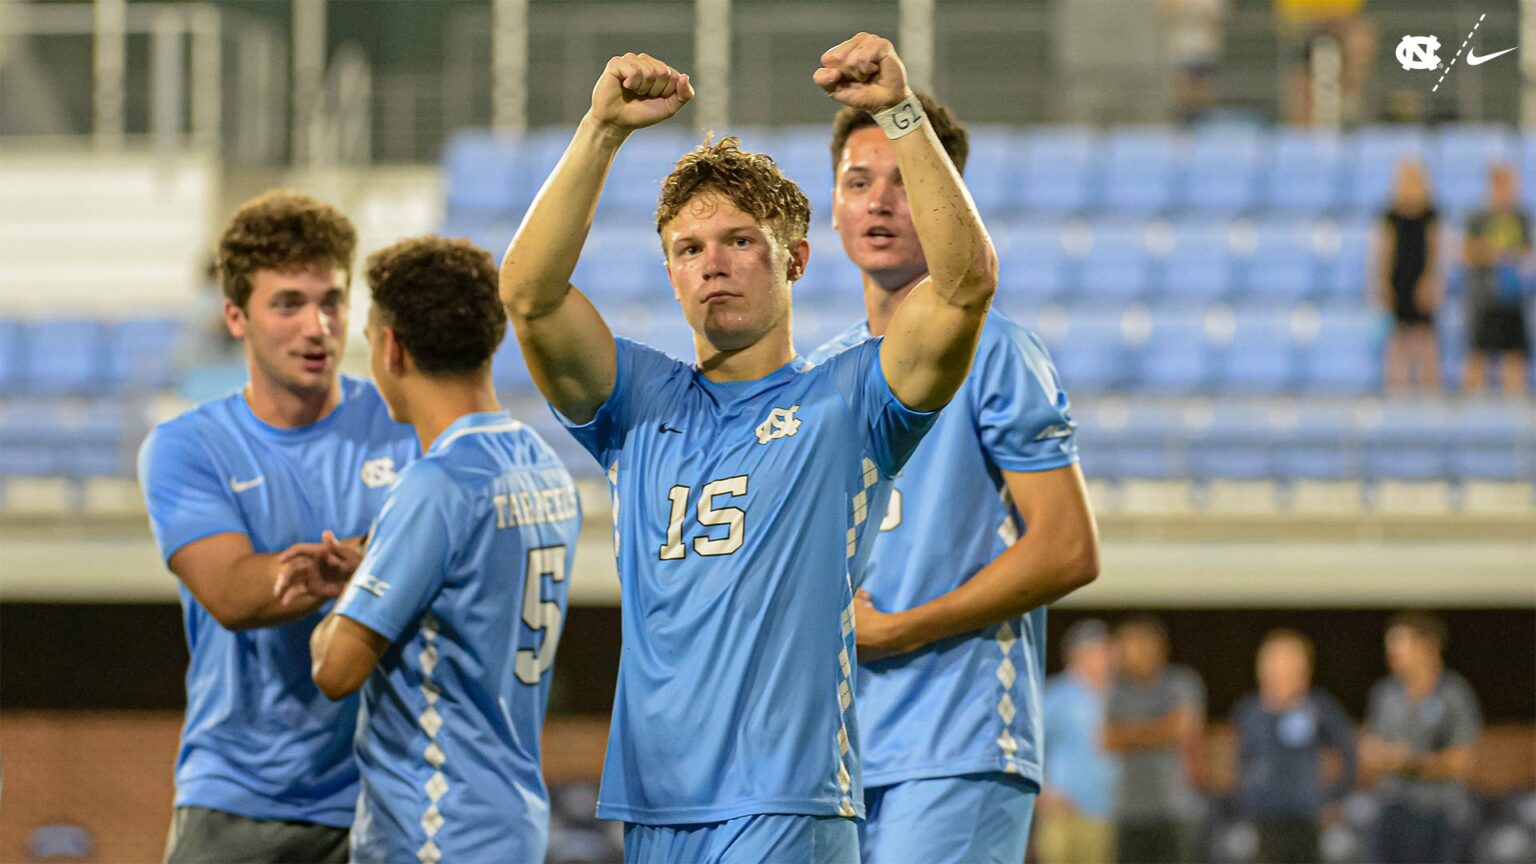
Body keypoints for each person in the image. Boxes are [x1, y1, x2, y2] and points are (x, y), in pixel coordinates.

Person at [499, 33, 998, 862]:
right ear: (669, 274)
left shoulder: (850, 400)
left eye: (739, 241)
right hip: (655, 803)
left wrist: (899, 114)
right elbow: (527, 292)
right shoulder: (636, 402)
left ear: (795, 259)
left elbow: (966, 285)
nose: (713, 265)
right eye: (689, 250)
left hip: (788, 803)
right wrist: (601, 132)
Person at [808, 91, 1099, 864]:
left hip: (958, 742)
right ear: (831, 211)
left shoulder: (996, 351)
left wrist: (900, 629)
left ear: (950, 208)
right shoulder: (817, 377)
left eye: (905, 181)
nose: (878, 201)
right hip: (832, 757)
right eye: (858, 181)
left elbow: (1069, 547)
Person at [279, 237, 581, 863]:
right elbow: (471, 593)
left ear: (391, 347)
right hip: (511, 821)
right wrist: (380, 570)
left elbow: (334, 670)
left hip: (437, 828)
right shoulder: (543, 465)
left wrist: (346, 600)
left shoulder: (436, 483)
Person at [136, 191, 419, 862]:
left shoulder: (404, 421)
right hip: (237, 799)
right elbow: (233, 594)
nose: (317, 326)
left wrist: (354, 566)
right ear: (236, 317)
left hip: (382, 800)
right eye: (288, 304)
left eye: (332, 301)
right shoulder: (186, 447)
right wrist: (369, 566)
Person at [1361, 612, 1483, 864]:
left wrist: (1412, 763)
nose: (1393, 656)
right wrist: (1384, 757)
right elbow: (1368, 754)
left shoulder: (1454, 694)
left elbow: (1464, 761)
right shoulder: (1386, 694)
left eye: (1400, 647)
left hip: (1440, 812)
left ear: (1428, 646)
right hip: (1393, 810)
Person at [1232, 629, 1358, 864]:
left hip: (1309, 819)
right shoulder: (1249, 712)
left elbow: (1347, 755)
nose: (1279, 667)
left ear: (1305, 667)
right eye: (1273, 659)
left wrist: (1335, 800)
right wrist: (1243, 804)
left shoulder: (1321, 709)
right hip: (1262, 820)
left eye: (1288, 659)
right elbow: (1239, 761)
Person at [1103, 615, 1206, 864]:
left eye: (1137, 645)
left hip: (1173, 810)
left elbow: (1183, 729)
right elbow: (1108, 740)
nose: (1130, 653)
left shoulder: (1180, 683)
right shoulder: (1117, 690)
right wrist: (1159, 729)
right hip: (1129, 812)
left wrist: (1130, 733)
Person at [1037, 620, 1120, 864]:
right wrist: (1042, 792)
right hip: (1064, 809)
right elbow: (1030, 745)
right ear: (1078, 655)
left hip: (1107, 810)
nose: (1107, 658)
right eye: (1100, 651)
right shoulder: (1056, 696)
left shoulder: (1117, 695)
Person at [1462, 164, 1532, 395]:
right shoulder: (1478, 218)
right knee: (1478, 354)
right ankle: (1471, 414)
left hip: (1513, 297)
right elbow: (1467, 253)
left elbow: (1527, 252)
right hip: (1485, 297)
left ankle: (1517, 417)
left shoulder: (1521, 218)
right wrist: (1497, 255)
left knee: (1515, 355)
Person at [1376, 159, 1443, 394]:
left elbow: (1435, 251)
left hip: (1422, 280)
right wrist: (1383, 283)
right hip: (1399, 280)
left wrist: (1431, 280)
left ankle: (1430, 393)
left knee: (1425, 340)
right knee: (1399, 340)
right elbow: (1384, 253)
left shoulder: (1430, 215)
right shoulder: (1391, 216)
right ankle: (1397, 393)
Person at [1159, 0, 1228, 125]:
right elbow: (1165, 12)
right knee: (1185, 87)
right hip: (1182, 48)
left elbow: (1219, 16)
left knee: (1203, 88)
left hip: (1205, 47)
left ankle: (1204, 123)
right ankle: (1183, 123)